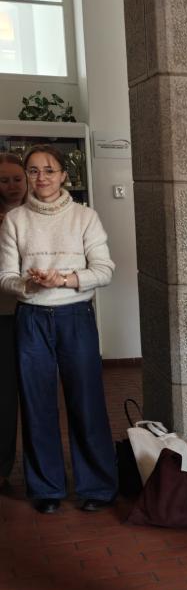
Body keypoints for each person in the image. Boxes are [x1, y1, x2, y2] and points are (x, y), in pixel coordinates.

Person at [0, 144, 117, 514]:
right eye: (33, 171)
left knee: (86, 401)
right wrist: (30, 285)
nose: (41, 178)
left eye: (49, 170)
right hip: (31, 318)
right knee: (36, 403)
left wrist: (64, 280)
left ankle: (97, 486)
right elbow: (5, 277)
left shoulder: (85, 217)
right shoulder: (15, 220)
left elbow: (104, 270)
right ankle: (45, 488)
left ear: (64, 175)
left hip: (75, 316)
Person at [0, 151, 28, 488]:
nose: (11, 186)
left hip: (35, 313)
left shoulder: (38, 214)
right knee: (4, 396)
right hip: (3, 315)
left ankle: (39, 470)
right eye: (4, 180)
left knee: (36, 395)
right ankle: (2, 467)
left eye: (17, 179)